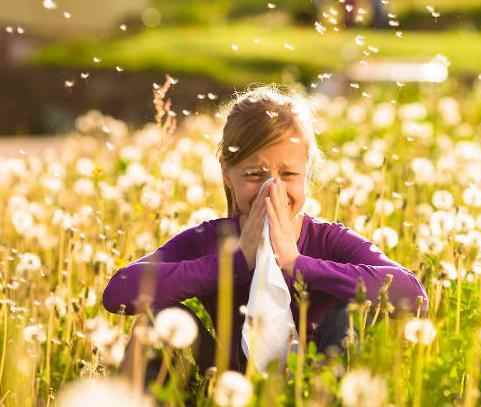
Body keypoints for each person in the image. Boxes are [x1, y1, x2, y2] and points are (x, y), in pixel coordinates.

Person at [102, 85, 428, 383]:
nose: (272, 189)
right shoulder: (209, 239)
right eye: (255, 174)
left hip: (318, 385)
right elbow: (119, 291)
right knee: (157, 321)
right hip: (225, 384)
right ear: (227, 175)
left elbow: (412, 295)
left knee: (350, 314)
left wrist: (295, 263)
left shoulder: (328, 239)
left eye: (288, 174)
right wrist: (233, 263)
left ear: (307, 174)